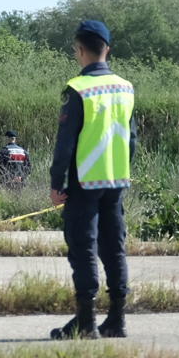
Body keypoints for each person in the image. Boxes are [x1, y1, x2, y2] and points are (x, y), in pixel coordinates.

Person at [49, 21, 136, 339]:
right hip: (116, 182)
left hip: (84, 183)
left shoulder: (77, 89)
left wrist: (56, 183)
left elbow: (65, 144)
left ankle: (86, 322)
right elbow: (132, 139)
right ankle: (117, 319)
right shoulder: (126, 88)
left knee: (83, 247)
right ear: (107, 49)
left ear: (81, 51)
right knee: (114, 247)